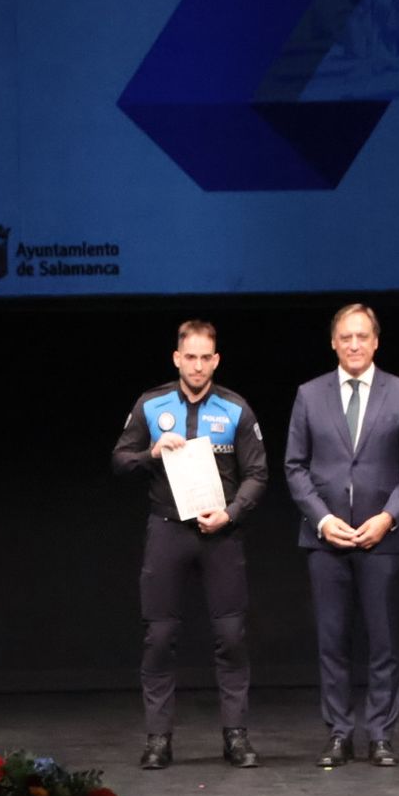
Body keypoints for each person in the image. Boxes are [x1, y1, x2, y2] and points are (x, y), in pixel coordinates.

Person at [111, 320, 268, 770]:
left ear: (215, 360)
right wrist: (151, 453)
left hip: (221, 534)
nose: (198, 366)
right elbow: (119, 460)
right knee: (159, 637)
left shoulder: (236, 409)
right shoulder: (151, 405)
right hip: (167, 531)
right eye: (190, 357)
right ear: (177, 358)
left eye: (206, 358)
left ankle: (235, 737)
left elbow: (258, 474)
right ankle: (158, 739)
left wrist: (231, 513)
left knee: (231, 636)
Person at [285, 304, 399, 767]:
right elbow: (294, 467)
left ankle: (381, 734)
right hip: (325, 539)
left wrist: (388, 517)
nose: (353, 344)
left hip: (381, 538)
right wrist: (323, 520)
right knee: (332, 642)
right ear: (333, 342)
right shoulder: (309, 395)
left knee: (383, 642)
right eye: (345, 337)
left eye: (362, 336)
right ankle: (338, 733)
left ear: (376, 341)